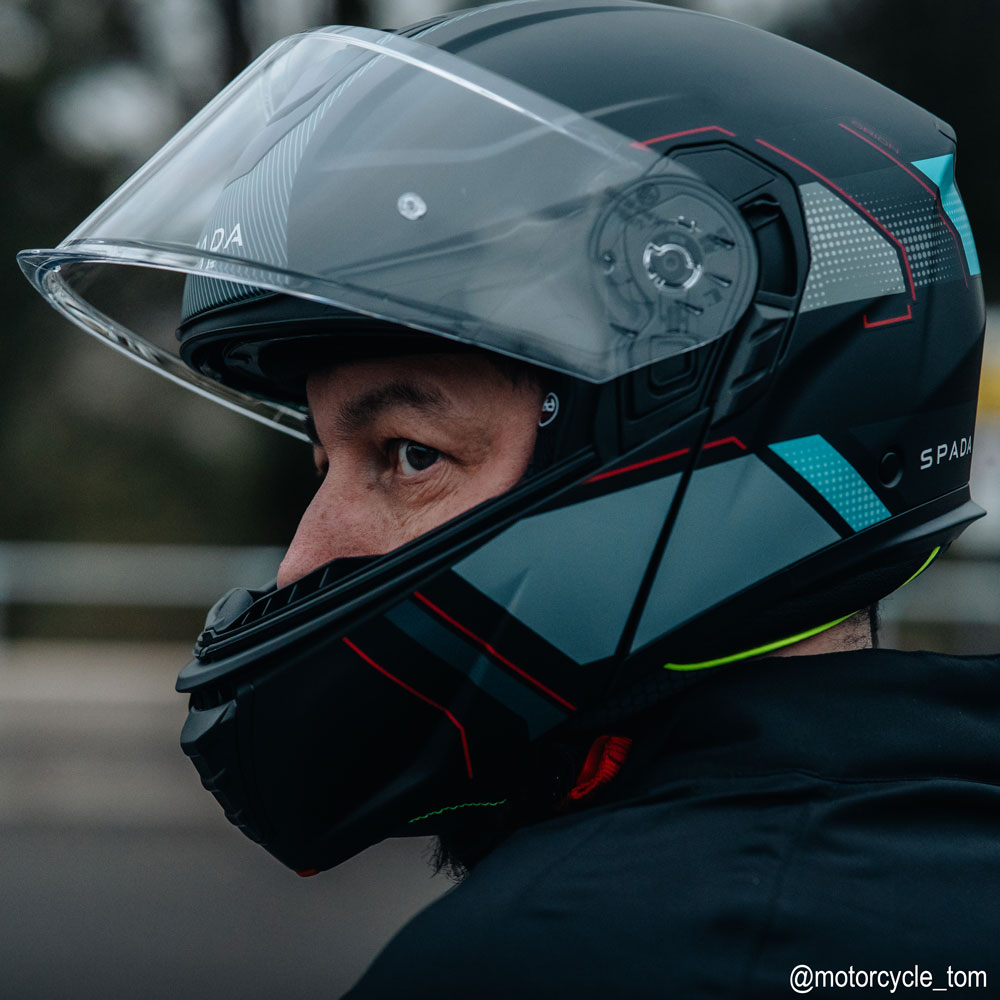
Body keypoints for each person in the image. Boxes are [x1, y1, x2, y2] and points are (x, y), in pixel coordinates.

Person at [19, 1, 998, 995]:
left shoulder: (559, 956)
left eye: (408, 455)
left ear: (685, 413)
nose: (302, 558)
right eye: (325, 465)